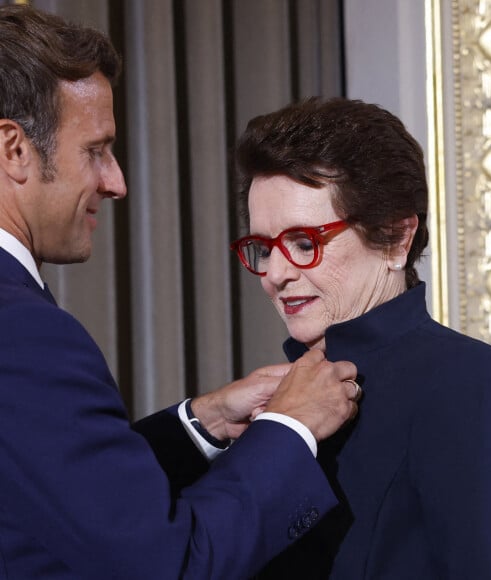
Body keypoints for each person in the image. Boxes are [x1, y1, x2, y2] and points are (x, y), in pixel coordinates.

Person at [0, 6, 362, 579]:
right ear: (14, 148)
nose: (115, 182)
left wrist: (202, 422)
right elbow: (170, 566)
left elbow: (53, 489)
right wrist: (289, 428)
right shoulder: (23, 331)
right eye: (95, 150)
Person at [231, 96, 491, 579]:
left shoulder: (463, 381)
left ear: (397, 238)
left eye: (304, 244)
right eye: (263, 246)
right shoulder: (272, 399)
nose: (274, 274)